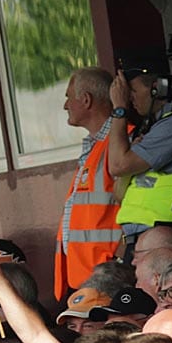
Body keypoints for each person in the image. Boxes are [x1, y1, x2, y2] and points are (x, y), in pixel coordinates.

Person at [107, 64, 172, 246]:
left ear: (156, 88)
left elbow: (118, 165)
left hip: (161, 233)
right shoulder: (152, 128)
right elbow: (119, 192)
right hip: (143, 234)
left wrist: (119, 109)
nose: (129, 98)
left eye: (133, 90)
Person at [55, 67, 120, 299]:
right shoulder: (97, 146)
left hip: (106, 276)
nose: (65, 106)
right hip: (87, 277)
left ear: (86, 100)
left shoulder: (120, 142)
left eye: (68, 98)